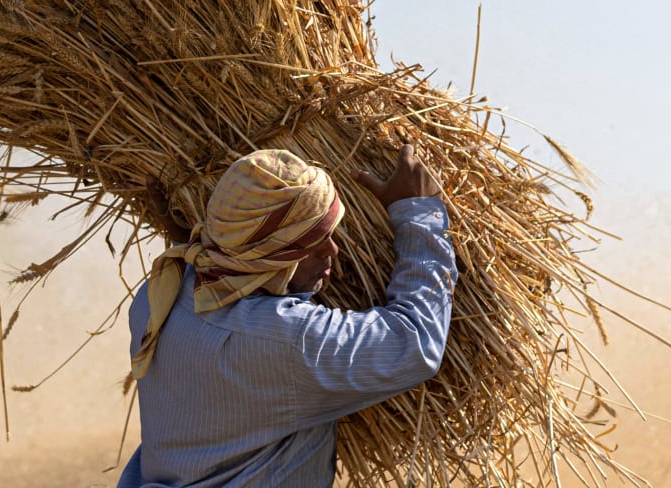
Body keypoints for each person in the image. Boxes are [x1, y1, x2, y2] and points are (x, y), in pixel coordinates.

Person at [118, 143, 457, 488]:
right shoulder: (287, 340)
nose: (333, 250)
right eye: (310, 240)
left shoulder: (158, 296)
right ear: (267, 253)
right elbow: (415, 342)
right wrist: (419, 214)